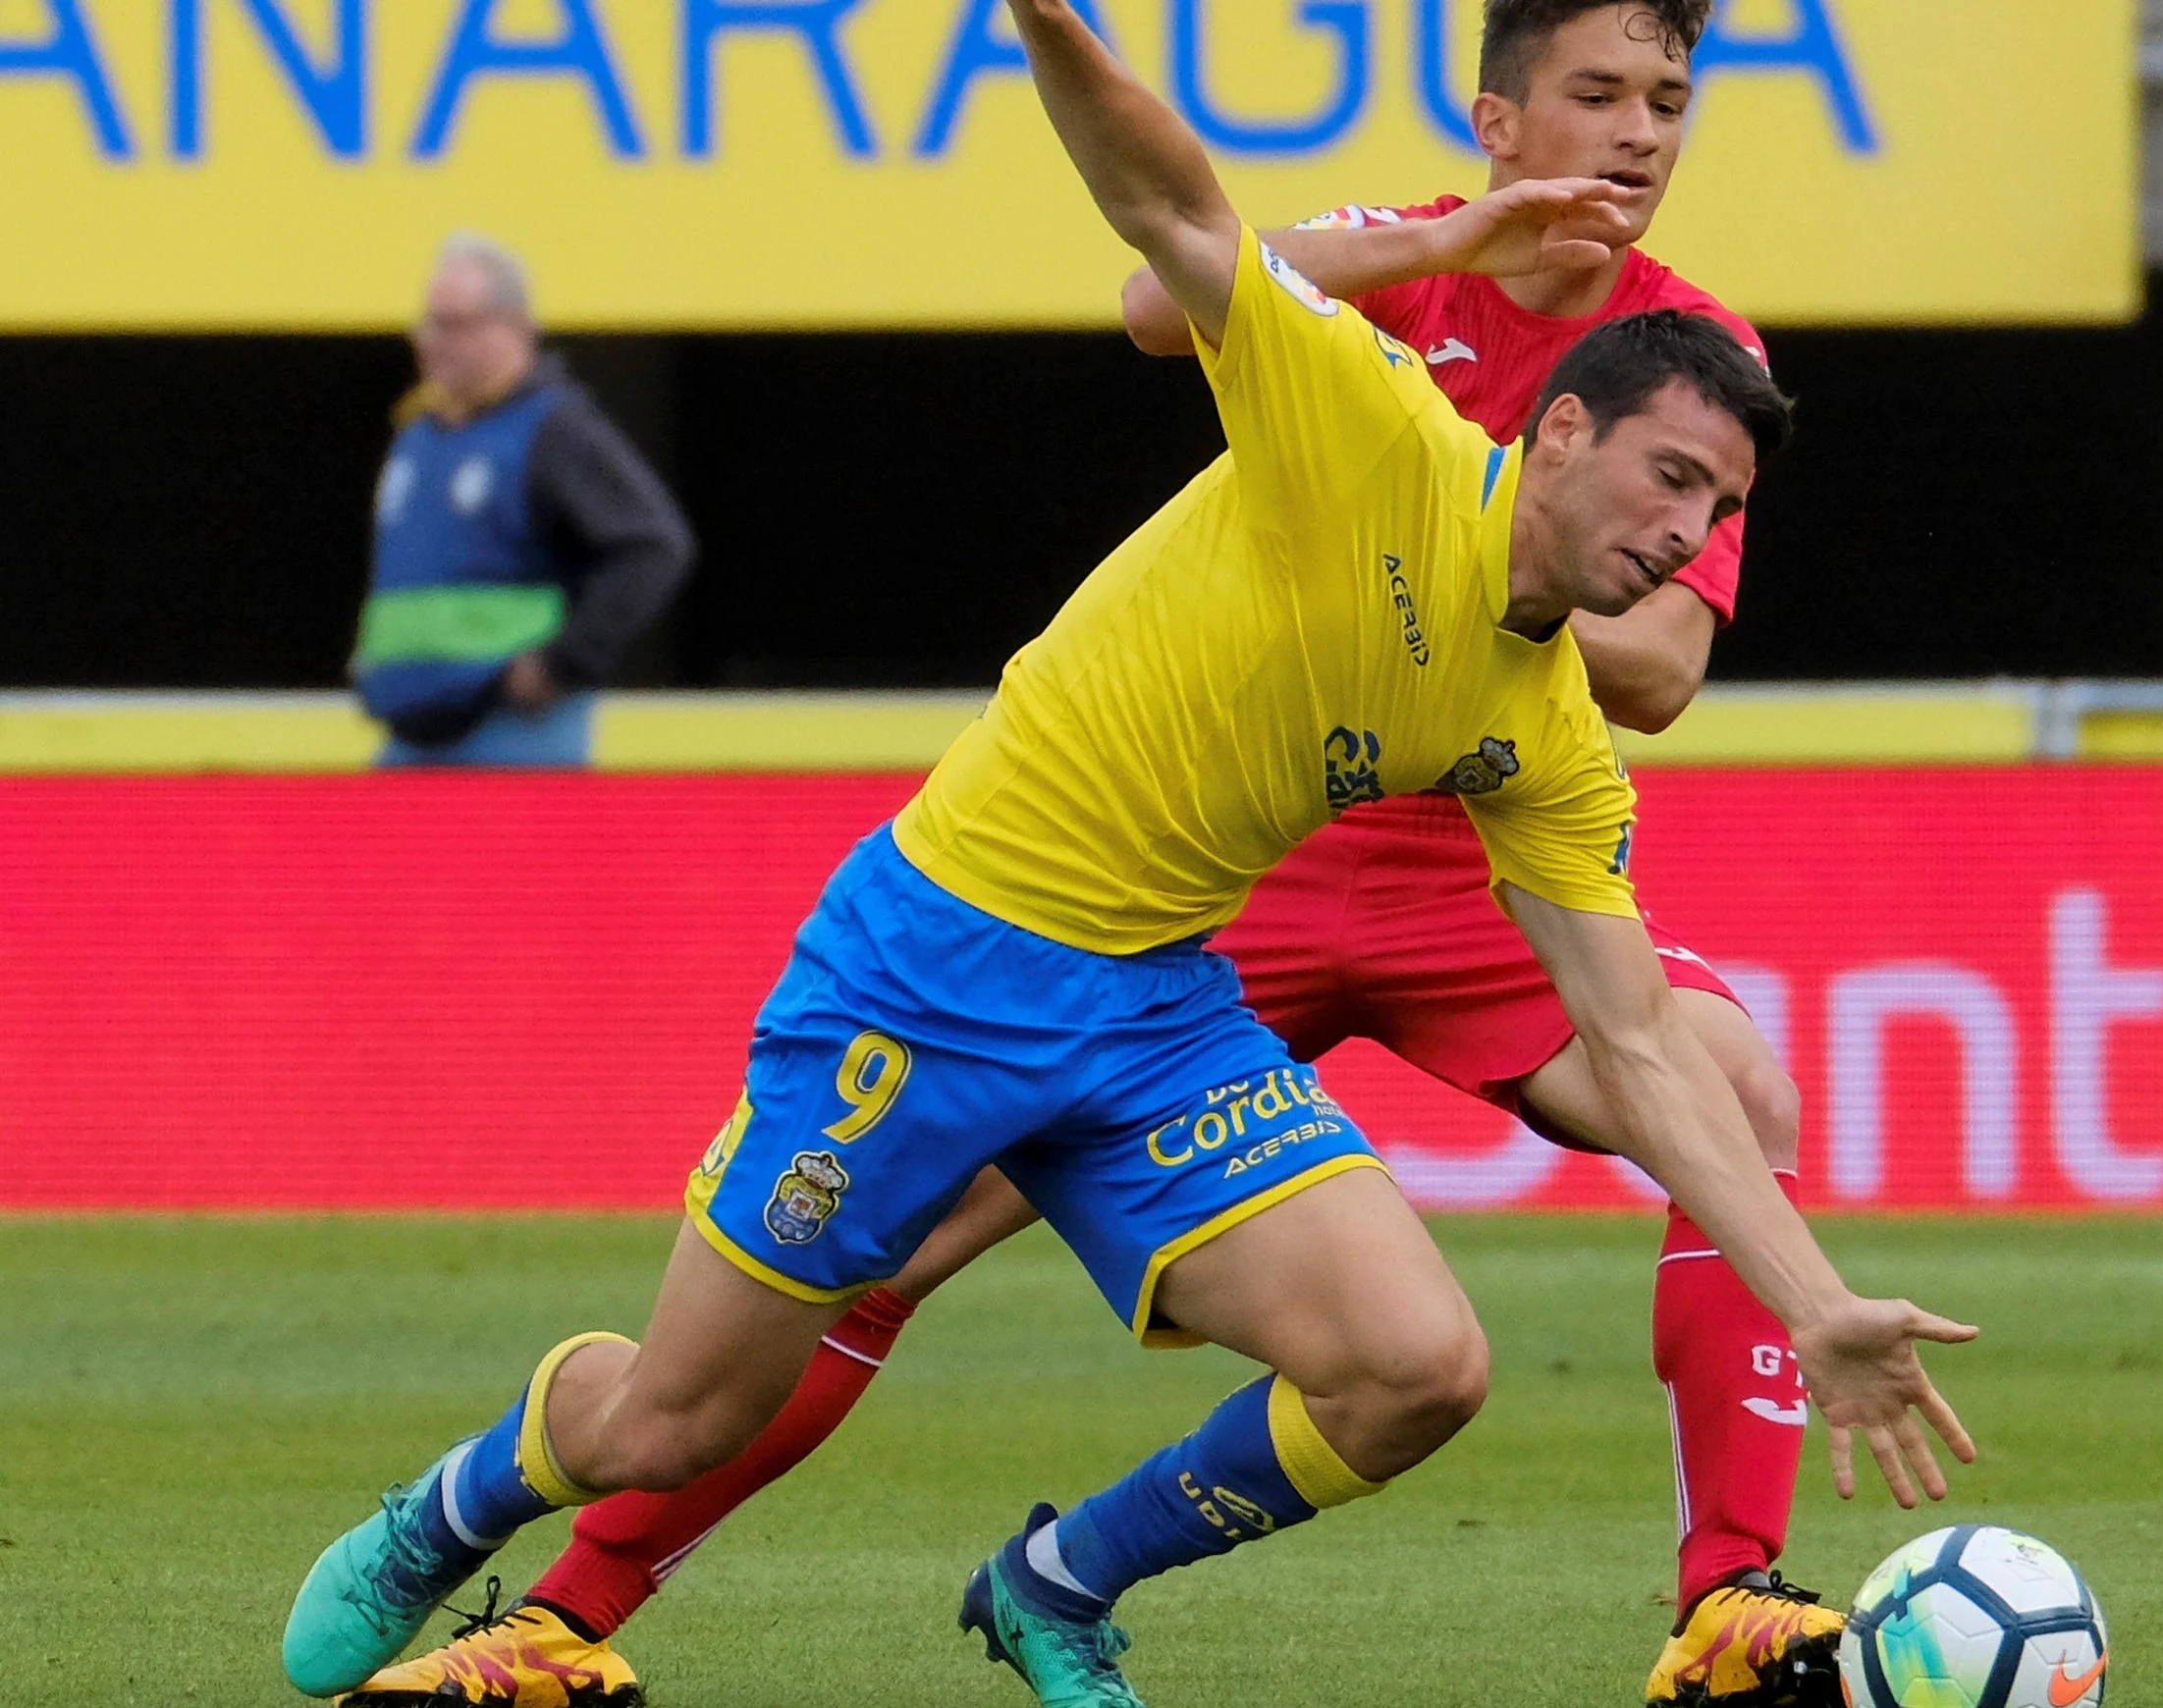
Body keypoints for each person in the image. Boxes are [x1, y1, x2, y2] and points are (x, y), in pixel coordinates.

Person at [282, 9, 1975, 1708]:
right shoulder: (1366, 404)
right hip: (950, 955)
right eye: (1667, 488)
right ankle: (487, 1544)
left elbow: (1631, 1033)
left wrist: (1818, 1304)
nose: (1686, 534)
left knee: (1420, 1362)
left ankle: (1075, 1577)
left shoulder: (1546, 708)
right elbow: (1166, 230)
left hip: (1177, 985)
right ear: (1546, 437)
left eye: (1712, 508)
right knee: (689, 1398)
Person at [352, 235, 693, 767]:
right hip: (413, 733)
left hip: (511, 734)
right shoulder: (421, 432)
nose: (431, 342)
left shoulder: (552, 429)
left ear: (514, 328)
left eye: (453, 325)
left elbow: (653, 547)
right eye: (428, 324)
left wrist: (564, 664)